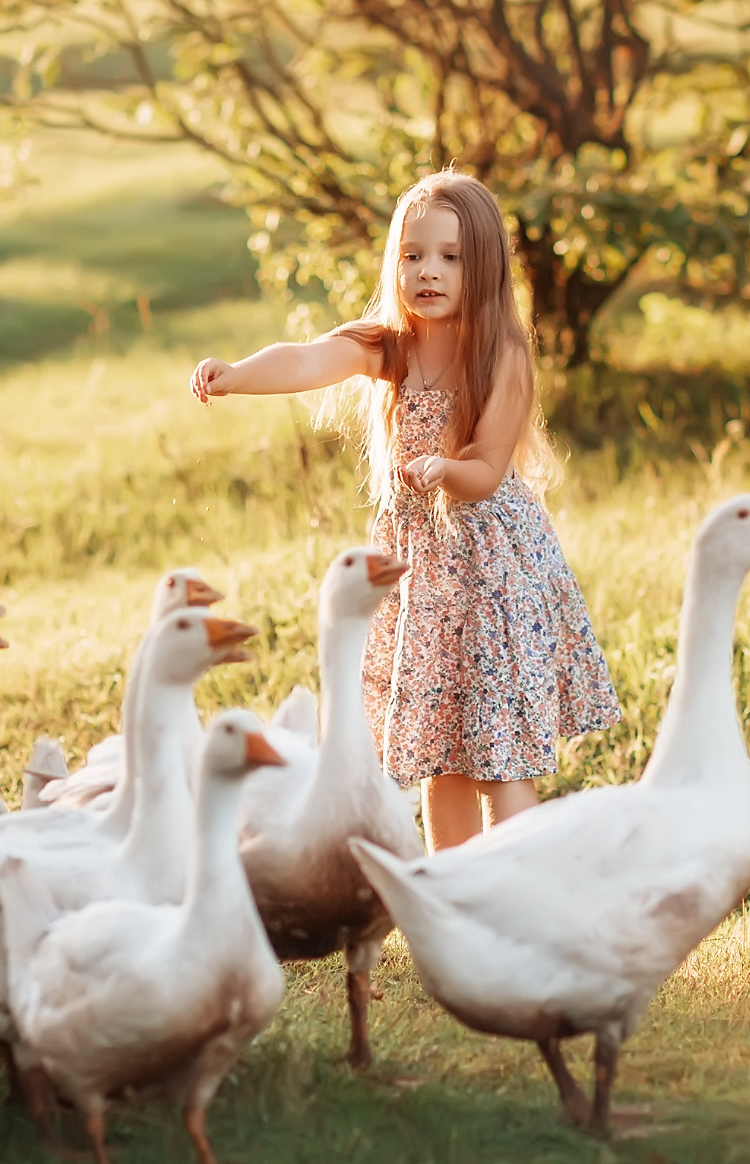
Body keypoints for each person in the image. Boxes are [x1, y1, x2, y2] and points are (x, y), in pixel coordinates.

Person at [189, 170, 621, 849]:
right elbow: (305, 360)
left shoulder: (502, 355)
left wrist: (445, 468)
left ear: (482, 267)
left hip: (491, 573)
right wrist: (236, 374)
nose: (429, 271)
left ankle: (519, 877)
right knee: (437, 740)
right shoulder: (392, 345)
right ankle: (448, 887)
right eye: (414, 255)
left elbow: (483, 472)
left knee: (497, 738)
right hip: (423, 577)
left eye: (450, 257)